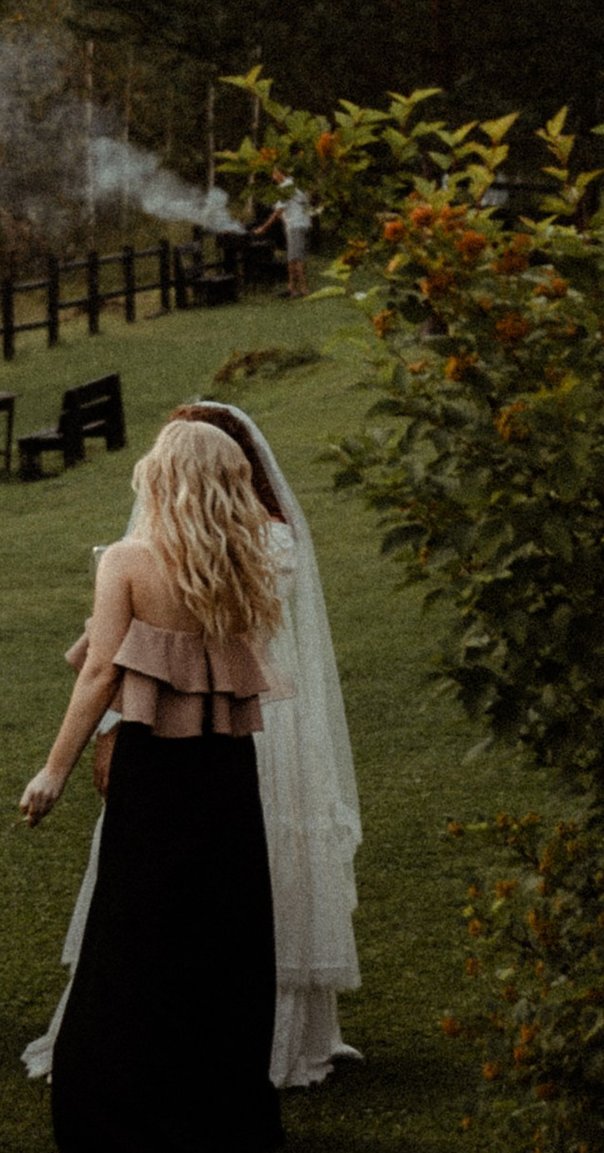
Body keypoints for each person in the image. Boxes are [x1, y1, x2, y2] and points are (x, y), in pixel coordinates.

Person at [21, 398, 363, 1095]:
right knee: (223, 921)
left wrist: (54, 769)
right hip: (229, 760)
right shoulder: (250, 564)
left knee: (140, 917)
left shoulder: (125, 560)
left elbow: (96, 671)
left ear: (160, 479)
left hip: (155, 759)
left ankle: (134, 1068)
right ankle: (224, 1078)